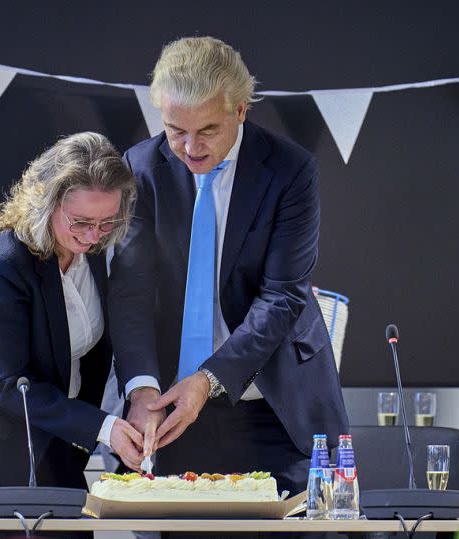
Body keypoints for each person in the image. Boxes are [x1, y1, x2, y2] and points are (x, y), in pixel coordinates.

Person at [108, 36, 349, 500]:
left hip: (273, 406)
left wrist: (210, 379)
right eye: (175, 129)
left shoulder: (290, 171)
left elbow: (282, 296)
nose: (190, 147)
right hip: (168, 408)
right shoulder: (140, 168)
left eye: (208, 130)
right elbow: (129, 293)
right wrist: (141, 390)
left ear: (241, 110)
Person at [0, 131, 144, 514]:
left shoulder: (95, 250)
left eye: (108, 222)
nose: (94, 236)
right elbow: (8, 384)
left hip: (55, 438)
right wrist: (104, 428)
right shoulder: (1, 265)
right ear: (47, 202)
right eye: (81, 222)